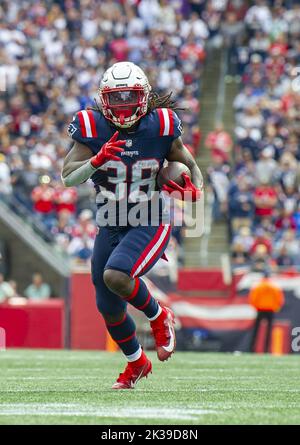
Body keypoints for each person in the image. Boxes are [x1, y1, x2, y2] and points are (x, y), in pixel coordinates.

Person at [62, 61, 203, 390]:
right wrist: (96, 160)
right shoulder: (91, 126)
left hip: (149, 216)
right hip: (110, 220)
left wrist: (195, 185)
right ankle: (137, 362)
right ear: (103, 99)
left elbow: (187, 163)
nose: (124, 107)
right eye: (117, 99)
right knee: (107, 305)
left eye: (130, 98)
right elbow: (68, 177)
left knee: (116, 275)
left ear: (145, 97)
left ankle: (158, 315)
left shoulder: (163, 124)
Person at [248, 271, 285, 353]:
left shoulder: (257, 286)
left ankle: (252, 348)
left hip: (260, 309)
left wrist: (256, 307)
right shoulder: (274, 287)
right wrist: (275, 307)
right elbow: (280, 299)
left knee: (256, 330)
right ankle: (266, 349)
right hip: (270, 310)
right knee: (269, 331)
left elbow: (252, 299)